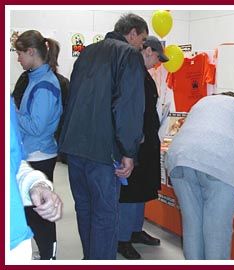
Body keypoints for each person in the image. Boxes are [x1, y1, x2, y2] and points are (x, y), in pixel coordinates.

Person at [58, 13, 148, 260]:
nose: (141, 46)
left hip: (75, 147)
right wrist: (129, 152)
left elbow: (73, 97)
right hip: (103, 151)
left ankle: (90, 258)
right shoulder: (129, 55)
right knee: (105, 215)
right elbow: (128, 107)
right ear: (132, 33)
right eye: (141, 40)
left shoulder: (87, 52)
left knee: (85, 209)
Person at [165, 92, 234, 260]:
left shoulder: (202, 102)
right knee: (217, 231)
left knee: (192, 225)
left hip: (180, 158)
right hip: (221, 161)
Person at [117, 35, 169, 260]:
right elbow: (125, 107)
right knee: (130, 193)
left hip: (147, 141)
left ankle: (135, 230)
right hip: (134, 144)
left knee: (143, 191)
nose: (158, 62)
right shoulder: (131, 72)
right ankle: (122, 238)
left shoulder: (144, 74)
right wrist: (132, 134)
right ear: (147, 50)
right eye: (158, 56)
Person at [13, 30, 63, 260]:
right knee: (32, 212)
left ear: (31, 52)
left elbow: (36, 127)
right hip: (32, 152)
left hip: (40, 155)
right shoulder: (35, 79)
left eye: (20, 53)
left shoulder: (45, 84)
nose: (18, 58)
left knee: (41, 213)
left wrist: (12, 113)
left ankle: (48, 256)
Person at [10, 98, 62, 262]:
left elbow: (12, 162)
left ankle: (48, 256)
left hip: (16, 239)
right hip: (37, 150)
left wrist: (34, 183)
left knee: (40, 218)